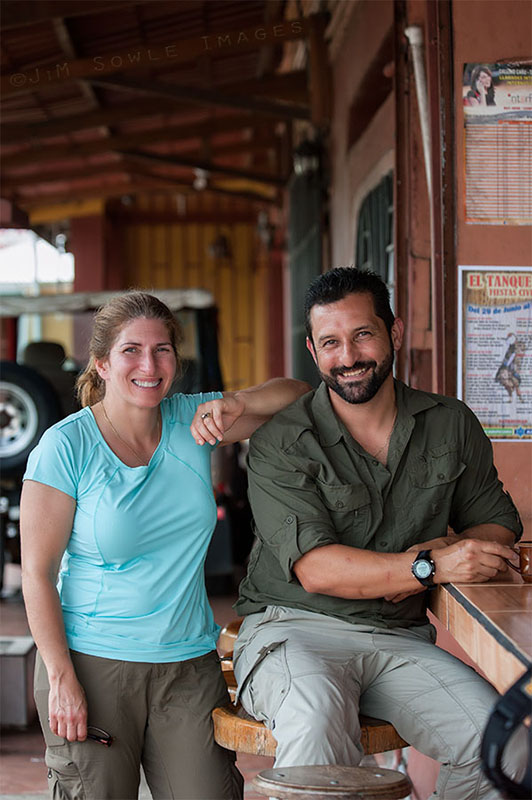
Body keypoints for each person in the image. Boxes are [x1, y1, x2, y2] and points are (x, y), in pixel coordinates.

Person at [233, 268, 525, 799]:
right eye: (330, 342)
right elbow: (317, 568)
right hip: (295, 628)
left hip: (398, 638)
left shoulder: (449, 421)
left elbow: (499, 523)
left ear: (394, 331)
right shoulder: (283, 441)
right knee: (317, 718)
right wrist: (426, 567)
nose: (348, 356)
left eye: (363, 334)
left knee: (507, 745)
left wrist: (442, 548)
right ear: (312, 349)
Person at [20, 290, 309, 800]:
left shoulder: (192, 420)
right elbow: (37, 574)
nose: (149, 365)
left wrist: (237, 402)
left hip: (188, 665)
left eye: (162, 350)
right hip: (92, 663)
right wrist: (62, 678)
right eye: (131, 350)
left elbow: (298, 395)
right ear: (103, 363)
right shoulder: (66, 447)